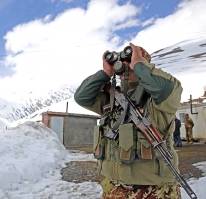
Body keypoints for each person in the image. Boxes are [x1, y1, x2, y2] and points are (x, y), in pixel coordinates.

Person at [74, 43, 183, 198]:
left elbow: (167, 88)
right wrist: (105, 73)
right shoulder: (112, 99)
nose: (125, 65)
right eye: (123, 62)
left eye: (130, 61)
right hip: (114, 188)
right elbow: (82, 97)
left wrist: (138, 64)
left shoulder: (159, 101)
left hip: (154, 191)